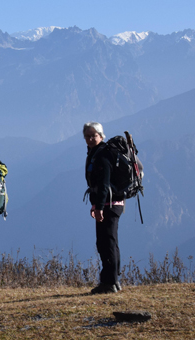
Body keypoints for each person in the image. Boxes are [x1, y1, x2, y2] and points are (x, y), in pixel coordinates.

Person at [84, 122, 122, 294]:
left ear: (101, 135)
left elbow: (104, 184)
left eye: (94, 135)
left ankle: (110, 283)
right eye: (88, 136)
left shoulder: (102, 155)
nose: (91, 139)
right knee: (109, 242)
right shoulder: (95, 153)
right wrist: (95, 205)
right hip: (109, 203)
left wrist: (99, 207)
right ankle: (113, 280)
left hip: (109, 204)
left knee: (106, 243)